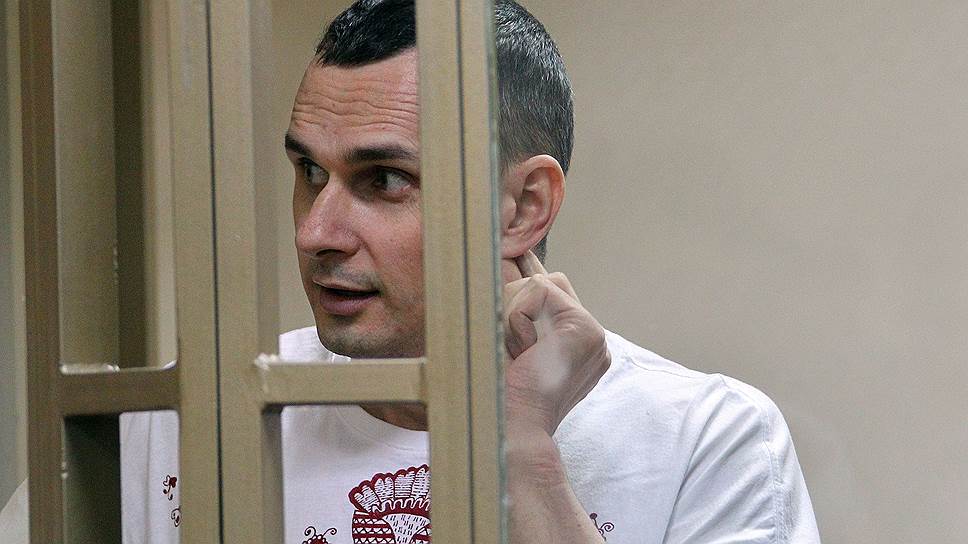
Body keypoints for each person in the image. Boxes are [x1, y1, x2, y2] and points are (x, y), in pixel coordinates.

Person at [1, 1, 821, 542]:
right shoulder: (168, 427)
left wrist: (522, 451)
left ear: (523, 207)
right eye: (309, 172)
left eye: (384, 180)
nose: (316, 232)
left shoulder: (704, 441)